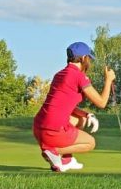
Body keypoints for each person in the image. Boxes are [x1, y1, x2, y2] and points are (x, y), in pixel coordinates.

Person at [33, 41, 115, 172]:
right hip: (53, 130)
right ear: (83, 58)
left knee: (80, 120)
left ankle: (66, 160)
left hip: (38, 127)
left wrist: (87, 114)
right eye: (89, 58)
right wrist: (108, 80)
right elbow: (101, 102)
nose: (89, 62)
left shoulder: (59, 74)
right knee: (90, 143)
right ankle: (53, 152)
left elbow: (61, 105)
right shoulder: (79, 76)